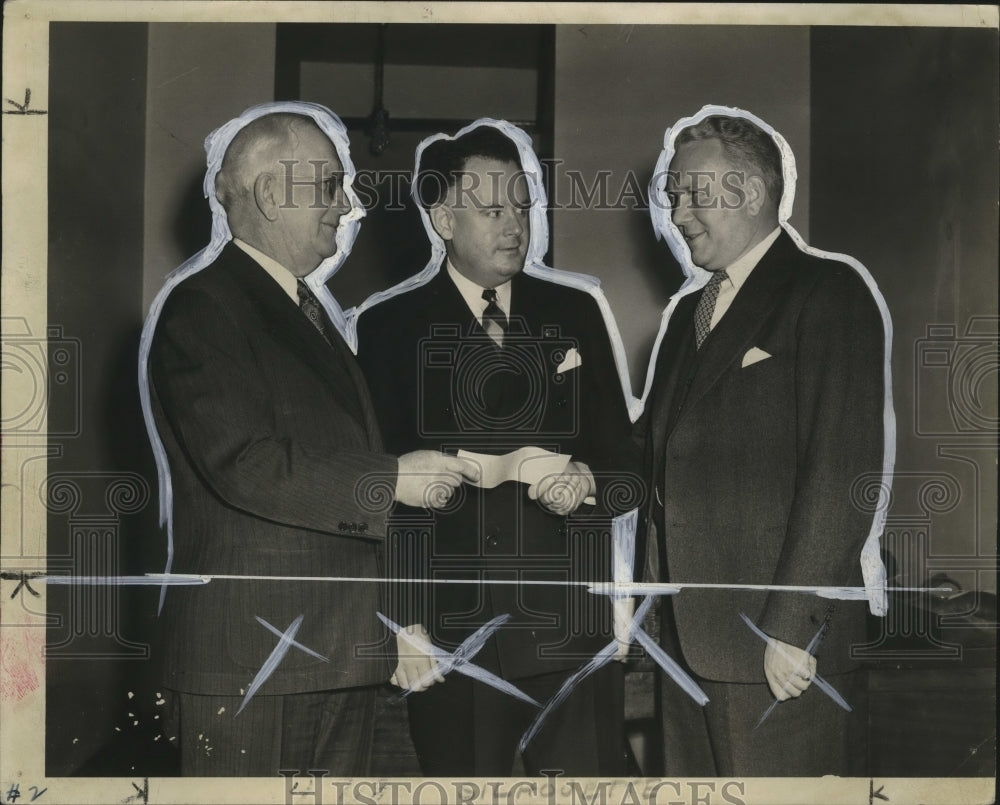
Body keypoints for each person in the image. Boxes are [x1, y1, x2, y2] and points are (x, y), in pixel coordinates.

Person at [143, 106, 476, 777]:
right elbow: (246, 464)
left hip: (332, 655)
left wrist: (392, 623)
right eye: (329, 184)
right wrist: (391, 479)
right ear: (271, 193)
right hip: (253, 666)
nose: (348, 204)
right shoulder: (204, 308)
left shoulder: (307, 311)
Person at [355, 123, 637, 776]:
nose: (514, 225)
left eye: (522, 206)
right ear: (444, 217)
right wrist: (404, 620)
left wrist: (590, 478)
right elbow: (378, 488)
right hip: (454, 637)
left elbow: (628, 456)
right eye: (492, 209)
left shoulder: (578, 312)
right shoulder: (387, 328)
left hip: (572, 631)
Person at [641, 112, 889, 776]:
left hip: (776, 650)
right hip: (685, 645)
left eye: (693, 193)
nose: (677, 213)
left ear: (750, 192)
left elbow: (842, 471)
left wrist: (791, 626)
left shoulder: (828, 290)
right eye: (672, 195)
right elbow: (653, 462)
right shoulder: (687, 318)